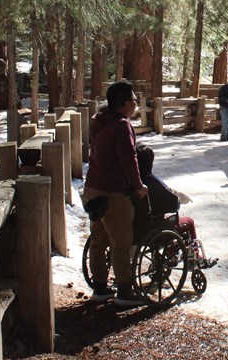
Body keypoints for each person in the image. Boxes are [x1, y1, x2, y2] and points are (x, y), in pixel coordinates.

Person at [82, 81, 148, 307]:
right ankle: (124, 290)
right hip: (113, 192)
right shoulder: (121, 126)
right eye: (133, 100)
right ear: (125, 104)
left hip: (92, 188)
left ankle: (100, 287)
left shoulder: (99, 121)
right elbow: (129, 160)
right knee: (120, 242)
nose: (135, 104)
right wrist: (139, 186)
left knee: (98, 240)